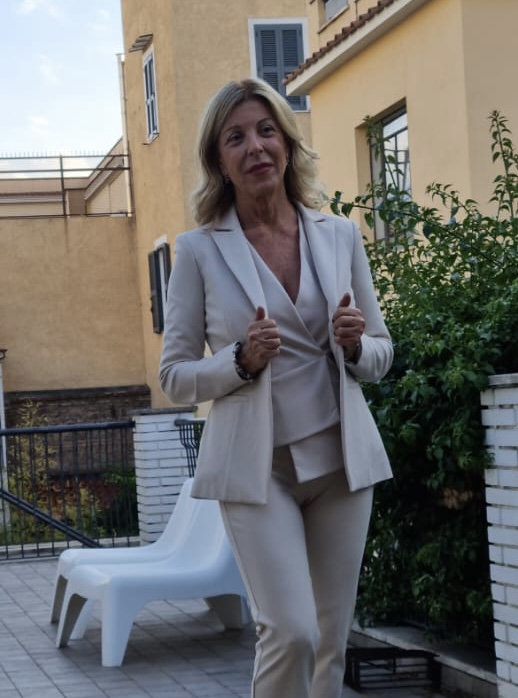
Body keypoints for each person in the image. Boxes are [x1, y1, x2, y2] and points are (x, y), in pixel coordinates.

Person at [159, 77, 393, 698]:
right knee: (290, 632)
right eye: (236, 137)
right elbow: (174, 376)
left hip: (341, 464)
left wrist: (354, 346)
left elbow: (381, 353)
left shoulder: (338, 235)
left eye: (266, 131)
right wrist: (239, 361)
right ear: (219, 161)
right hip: (258, 470)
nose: (255, 146)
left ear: (287, 144)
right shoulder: (198, 252)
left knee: (330, 641)